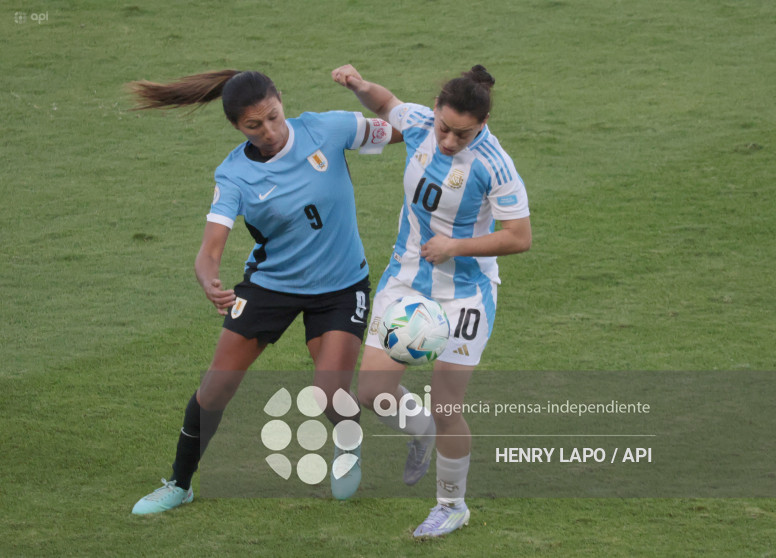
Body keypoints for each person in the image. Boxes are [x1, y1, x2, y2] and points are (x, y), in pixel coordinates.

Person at [128, 69, 396, 514]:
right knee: (214, 390)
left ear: (281, 102)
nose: (269, 132)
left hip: (342, 286)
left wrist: (443, 127)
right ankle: (179, 484)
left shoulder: (326, 129)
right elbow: (209, 249)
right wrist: (208, 280)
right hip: (271, 287)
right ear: (237, 127)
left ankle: (349, 444)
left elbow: (408, 129)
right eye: (255, 126)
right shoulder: (234, 174)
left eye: (273, 117)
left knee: (330, 392)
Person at [332, 64, 532, 538]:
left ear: (481, 125)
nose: (447, 140)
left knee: (447, 407)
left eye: (461, 134)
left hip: (465, 297)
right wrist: (361, 86)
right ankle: (418, 429)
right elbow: (386, 104)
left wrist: (455, 246)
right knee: (373, 393)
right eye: (444, 128)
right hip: (405, 280)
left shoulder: (494, 164)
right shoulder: (421, 123)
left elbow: (519, 237)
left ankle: (451, 505)